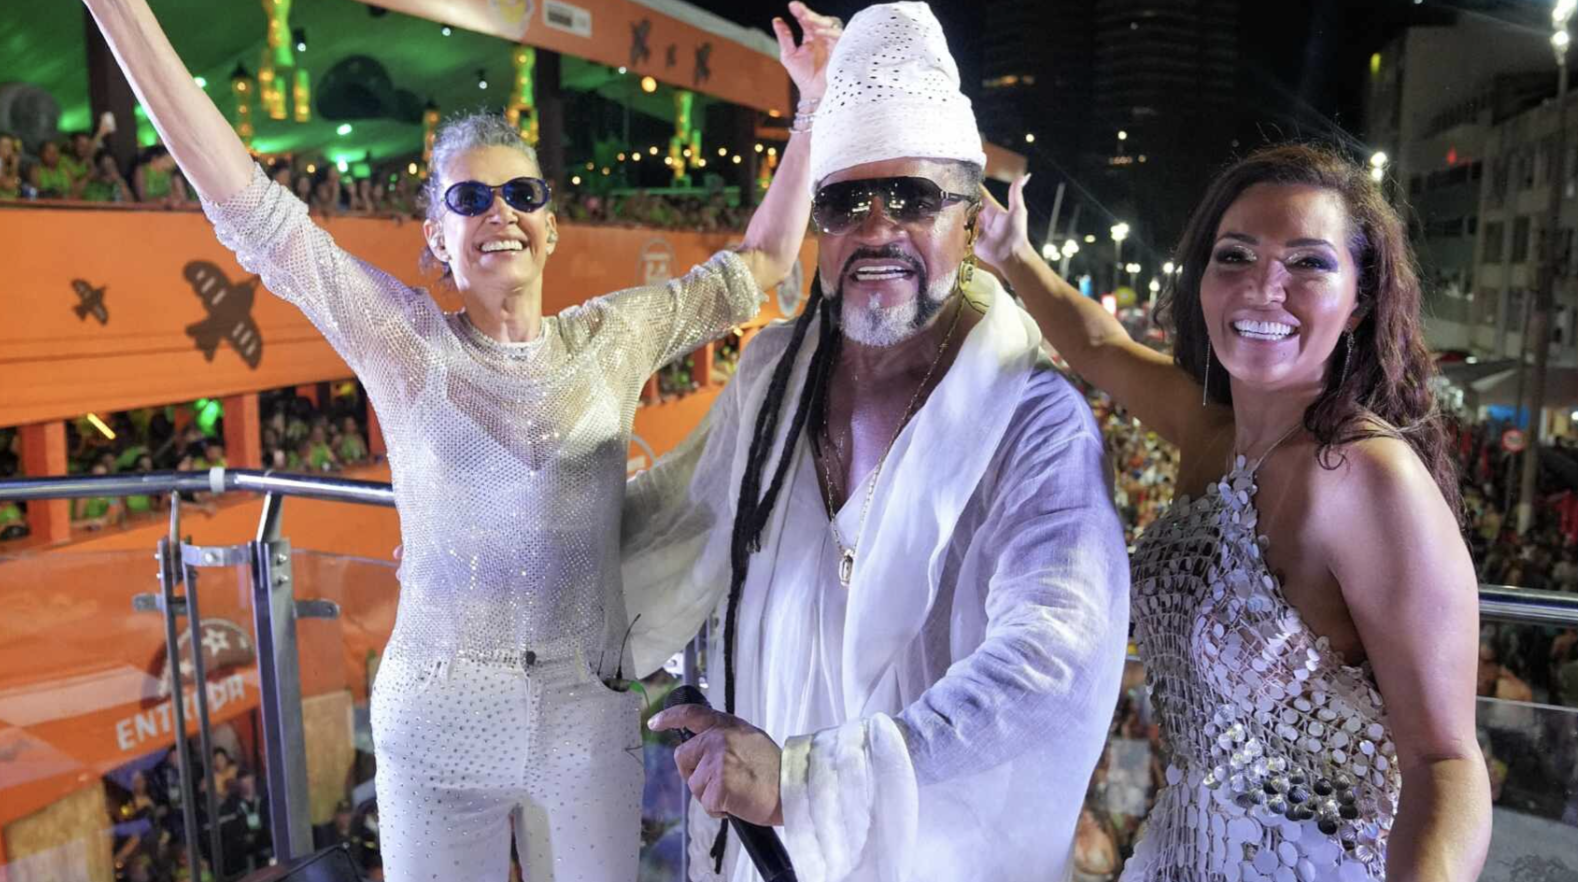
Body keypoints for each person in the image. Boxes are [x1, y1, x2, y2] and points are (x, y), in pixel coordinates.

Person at [82, 0, 821, 878]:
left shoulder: (615, 337)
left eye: (522, 194)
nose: (500, 212)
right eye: (470, 198)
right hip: (435, 729)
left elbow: (763, 263)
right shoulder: (404, 345)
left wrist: (813, 105)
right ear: (438, 234)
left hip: (586, 721)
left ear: (551, 224)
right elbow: (252, 212)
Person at [627, 5, 1129, 880]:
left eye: (912, 198)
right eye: (844, 202)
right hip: (763, 847)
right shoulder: (773, 378)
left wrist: (809, 782)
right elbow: (671, 523)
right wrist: (505, 540)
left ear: (970, 220)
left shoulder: (1035, 423)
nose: (876, 228)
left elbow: (1054, 658)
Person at [974, 143, 1490, 879]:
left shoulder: (1368, 476)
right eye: (1235, 256)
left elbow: (1444, 762)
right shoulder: (1210, 430)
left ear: (1359, 302)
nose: (1262, 287)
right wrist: (1012, 255)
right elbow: (1097, 342)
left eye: (1308, 263)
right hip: (1173, 854)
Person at [0, 132, 22, 199]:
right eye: (5, 146)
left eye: (11, 147)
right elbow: (9, 186)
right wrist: (15, 165)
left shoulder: (7, 164)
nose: (9, 150)